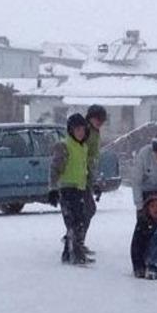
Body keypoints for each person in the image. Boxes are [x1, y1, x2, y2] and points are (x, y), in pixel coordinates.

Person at [48, 113, 94, 266]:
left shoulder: (83, 147)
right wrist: (53, 188)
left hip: (80, 189)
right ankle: (76, 255)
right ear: (71, 130)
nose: (81, 133)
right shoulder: (64, 146)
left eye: (83, 130)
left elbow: (84, 169)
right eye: (77, 130)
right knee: (74, 223)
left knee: (79, 221)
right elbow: (54, 168)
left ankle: (68, 254)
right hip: (67, 189)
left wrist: (91, 184)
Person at [79, 104, 107, 256]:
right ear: (90, 118)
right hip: (81, 176)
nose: (100, 122)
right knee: (88, 209)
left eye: (102, 120)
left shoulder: (95, 132)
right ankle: (76, 239)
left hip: (88, 176)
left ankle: (77, 239)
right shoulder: (86, 131)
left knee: (86, 209)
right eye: (98, 119)